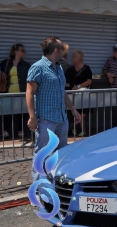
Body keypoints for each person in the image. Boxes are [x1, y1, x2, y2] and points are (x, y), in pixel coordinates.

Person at [26, 36, 81, 182]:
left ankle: (55, 186)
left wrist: (73, 108)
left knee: (60, 154)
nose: (64, 50)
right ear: (56, 50)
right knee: (42, 155)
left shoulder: (59, 68)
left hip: (61, 119)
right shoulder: (38, 67)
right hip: (46, 120)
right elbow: (29, 93)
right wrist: (32, 116)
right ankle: (38, 190)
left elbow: (62, 92)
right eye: (62, 48)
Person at [0, 44, 31, 138]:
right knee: (7, 112)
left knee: (22, 112)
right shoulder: (6, 63)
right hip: (8, 91)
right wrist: (0, 73)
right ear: (15, 51)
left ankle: (20, 130)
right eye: (22, 50)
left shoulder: (25, 65)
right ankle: (5, 131)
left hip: (21, 91)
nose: (24, 53)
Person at [65, 49, 92, 137]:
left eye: (75, 56)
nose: (73, 58)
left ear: (81, 58)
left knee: (83, 112)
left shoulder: (86, 68)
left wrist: (79, 86)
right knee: (76, 111)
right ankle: (82, 130)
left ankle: (73, 126)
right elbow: (67, 82)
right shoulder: (69, 69)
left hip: (84, 94)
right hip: (73, 94)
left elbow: (89, 81)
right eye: (72, 56)